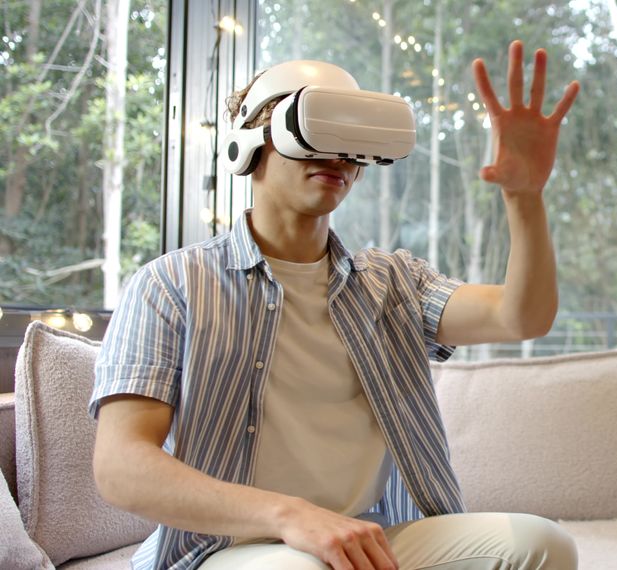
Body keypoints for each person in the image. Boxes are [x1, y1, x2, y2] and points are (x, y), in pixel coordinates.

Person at [90, 40, 580, 570]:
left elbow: (521, 316)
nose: (338, 155)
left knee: (541, 544)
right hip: (236, 548)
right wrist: (288, 516)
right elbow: (121, 466)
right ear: (248, 144)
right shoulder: (171, 285)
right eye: (315, 130)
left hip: (370, 538)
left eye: (353, 138)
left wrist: (525, 197)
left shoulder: (392, 283)